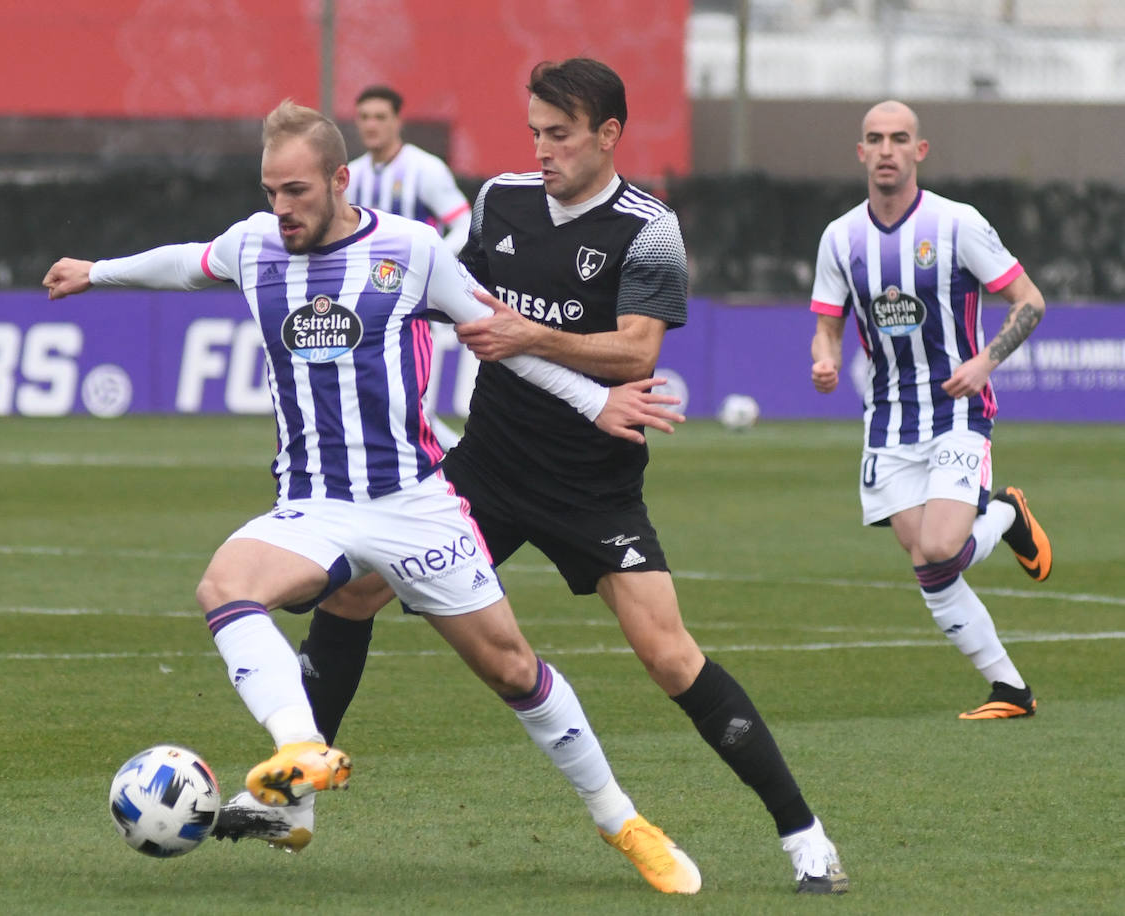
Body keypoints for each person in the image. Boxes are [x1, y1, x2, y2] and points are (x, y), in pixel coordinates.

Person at [43, 99, 707, 894]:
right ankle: (300, 750)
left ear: (339, 179)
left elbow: (498, 334)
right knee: (224, 586)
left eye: (296, 191)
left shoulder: (411, 248)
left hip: (415, 501)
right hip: (313, 505)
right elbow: (188, 261)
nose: (281, 209)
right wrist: (97, 273)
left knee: (513, 672)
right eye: (270, 192)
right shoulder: (255, 245)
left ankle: (622, 822)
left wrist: (595, 400)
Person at [238, 59, 848, 895]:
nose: (543, 150)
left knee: (671, 659)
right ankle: (296, 791)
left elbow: (636, 351)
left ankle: (804, 836)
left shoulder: (649, 227)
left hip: (593, 485)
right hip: (484, 468)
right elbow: (441, 285)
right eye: (535, 133)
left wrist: (528, 335)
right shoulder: (502, 201)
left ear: (608, 135)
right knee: (352, 595)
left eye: (559, 135)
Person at [809, 100, 1052, 720]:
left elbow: (1028, 301)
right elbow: (827, 325)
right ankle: (1011, 690)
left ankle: (1003, 514)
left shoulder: (957, 223)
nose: (886, 149)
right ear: (860, 153)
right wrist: (824, 360)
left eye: (898, 139)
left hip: (957, 411)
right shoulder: (840, 237)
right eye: (874, 139)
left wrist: (986, 363)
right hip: (887, 419)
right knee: (930, 569)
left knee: (942, 547)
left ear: (920, 151)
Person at [347, 84, 471, 449]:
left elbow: (463, 223)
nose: (371, 125)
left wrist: (429, 264)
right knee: (384, 404)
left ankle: (462, 463)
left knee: (413, 407)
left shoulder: (425, 169)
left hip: (412, 299)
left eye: (380, 117)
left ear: (398, 121)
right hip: (367, 301)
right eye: (364, 118)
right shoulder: (351, 176)